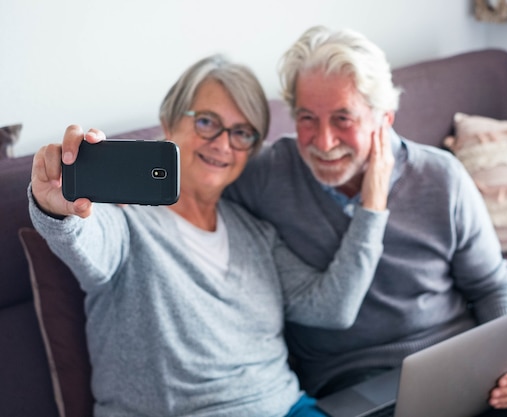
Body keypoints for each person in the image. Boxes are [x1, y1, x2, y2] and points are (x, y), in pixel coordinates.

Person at [224, 26, 507, 417]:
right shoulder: (267, 174)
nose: (323, 141)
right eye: (307, 118)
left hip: (458, 360)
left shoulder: (442, 177)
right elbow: (196, 184)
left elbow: (492, 284)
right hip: (351, 382)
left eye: (343, 118)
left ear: (383, 118)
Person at [28, 54, 394, 417]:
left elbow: (333, 309)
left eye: (241, 133)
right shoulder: (125, 221)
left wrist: (372, 206)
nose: (222, 144)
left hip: (287, 408)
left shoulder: (256, 233)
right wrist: (56, 206)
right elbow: (82, 237)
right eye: (206, 122)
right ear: (169, 123)